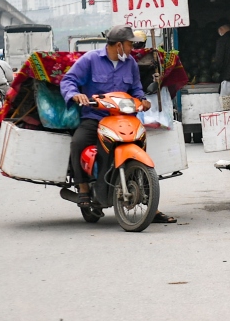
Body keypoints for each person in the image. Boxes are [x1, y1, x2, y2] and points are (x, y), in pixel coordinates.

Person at [60, 25, 174, 223]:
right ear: (119, 45)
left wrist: (143, 100)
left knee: (140, 147)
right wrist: (75, 94)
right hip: (95, 117)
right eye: (130, 44)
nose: (132, 48)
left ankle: (149, 204)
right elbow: (69, 79)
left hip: (124, 119)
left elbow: (136, 88)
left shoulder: (130, 63)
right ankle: (84, 189)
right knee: (77, 143)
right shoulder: (91, 59)